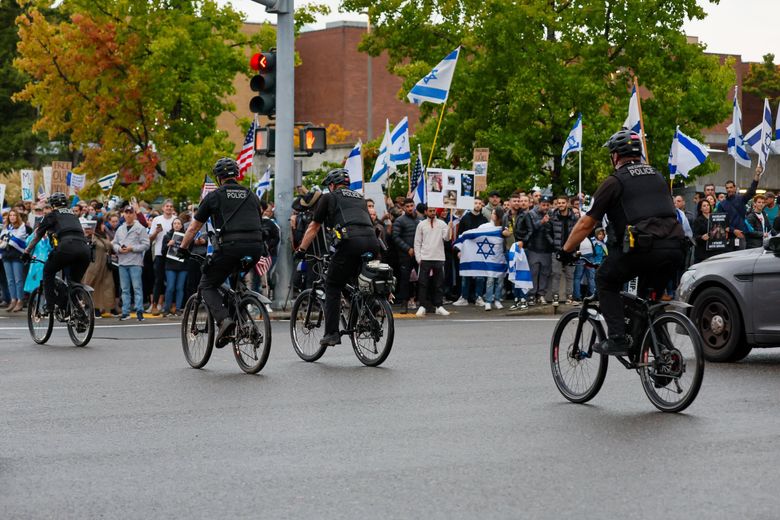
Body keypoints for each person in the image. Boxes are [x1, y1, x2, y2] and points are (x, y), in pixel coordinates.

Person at [558, 130, 686, 356]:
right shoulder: (657, 176)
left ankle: (617, 338)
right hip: (675, 248)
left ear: (615, 156)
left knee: (605, 280)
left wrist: (566, 250)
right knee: (648, 303)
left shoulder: (614, 181)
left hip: (643, 249)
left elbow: (586, 224)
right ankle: (664, 357)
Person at [179, 158, 266, 347]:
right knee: (235, 285)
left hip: (230, 247)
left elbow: (193, 228)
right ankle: (241, 324)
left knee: (207, 284)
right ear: (236, 175)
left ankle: (225, 322)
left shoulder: (214, 196)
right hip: (255, 248)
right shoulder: (251, 195)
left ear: (219, 178)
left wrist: (183, 248)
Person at [295, 168, 380, 346]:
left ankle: (332, 333)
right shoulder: (360, 198)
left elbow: (314, 226)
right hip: (372, 241)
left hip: (350, 242)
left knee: (332, 285)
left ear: (332, 185)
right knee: (358, 283)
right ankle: (367, 315)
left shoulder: (329, 197)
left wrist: (301, 249)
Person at [22, 192, 91, 316]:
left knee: (48, 271)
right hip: (84, 250)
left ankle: (50, 306)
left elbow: (37, 236)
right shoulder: (74, 215)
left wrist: (26, 252)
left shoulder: (51, 215)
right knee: (73, 283)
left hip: (66, 248)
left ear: (53, 205)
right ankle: (79, 313)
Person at [112, 206, 150, 321]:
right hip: (123, 261)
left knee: (137, 288)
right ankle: (125, 311)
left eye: (130, 212)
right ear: (123, 214)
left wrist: (132, 248)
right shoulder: (120, 228)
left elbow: (146, 244)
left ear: (134, 214)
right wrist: (119, 249)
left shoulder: (140, 228)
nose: (128, 215)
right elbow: (114, 243)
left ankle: (139, 311)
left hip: (135, 262)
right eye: (126, 212)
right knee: (125, 289)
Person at [413, 205, 452, 317]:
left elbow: (447, 238)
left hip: (439, 257)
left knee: (439, 283)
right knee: (423, 283)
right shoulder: (421, 225)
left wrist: (449, 228)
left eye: (434, 211)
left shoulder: (442, 224)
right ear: (426, 212)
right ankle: (422, 306)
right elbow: (417, 242)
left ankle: (439, 306)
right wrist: (418, 258)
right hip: (425, 258)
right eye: (430, 211)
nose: (432, 213)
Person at [719, 167, 763, 250]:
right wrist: (733, 230)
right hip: (728, 237)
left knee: (740, 260)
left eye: (731, 187)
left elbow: (752, 191)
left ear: (735, 188)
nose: (729, 189)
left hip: (741, 235)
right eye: (727, 188)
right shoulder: (722, 204)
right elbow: (720, 222)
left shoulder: (741, 198)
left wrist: (757, 175)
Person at [391, 198, 422, 313]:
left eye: (411, 205)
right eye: (407, 206)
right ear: (403, 208)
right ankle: (404, 303)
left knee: (422, 279)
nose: (410, 208)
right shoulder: (399, 221)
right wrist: (407, 248)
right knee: (404, 280)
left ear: (414, 206)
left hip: (419, 254)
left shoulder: (420, 219)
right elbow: (396, 237)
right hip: (405, 255)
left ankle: (423, 302)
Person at [82, 218, 116, 317]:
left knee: (106, 287)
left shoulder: (103, 235)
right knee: (92, 286)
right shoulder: (91, 236)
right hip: (94, 266)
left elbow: (109, 247)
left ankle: (106, 307)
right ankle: (92, 308)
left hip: (104, 266)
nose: (104, 226)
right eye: (102, 224)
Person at [1, 209, 31, 312]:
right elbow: (2, 239)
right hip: (6, 255)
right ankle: (13, 300)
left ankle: (20, 301)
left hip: (17, 255)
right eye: (10, 215)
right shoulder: (6, 228)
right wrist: (5, 241)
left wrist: (6, 240)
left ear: (17, 217)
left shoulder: (22, 227)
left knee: (18, 280)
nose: (12, 217)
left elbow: (17, 240)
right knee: (10, 280)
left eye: (14, 215)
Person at [161, 217, 188, 316]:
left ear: (182, 225)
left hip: (182, 265)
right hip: (170, 265)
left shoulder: (186, 236)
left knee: (180, 288)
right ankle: (166, 309)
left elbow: (190, 250)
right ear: (172, 225)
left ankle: (177, 309)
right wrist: (168, 244)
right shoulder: (167, 236)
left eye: (178, 223)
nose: (176, 225)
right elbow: (162, 252)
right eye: (175, 223)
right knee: (170, 287)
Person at [692, 199, 717, 264]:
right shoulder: (698, 220)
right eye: (704, 206)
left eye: (708, 205)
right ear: (700, 209)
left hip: (714, 250)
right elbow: (695, 236)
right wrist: (701, 237)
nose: (706, 207)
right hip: (702, 252)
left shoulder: (715, 218)